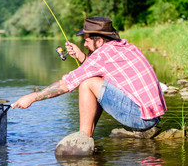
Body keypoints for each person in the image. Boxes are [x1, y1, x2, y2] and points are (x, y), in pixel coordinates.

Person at [12, 16, 167, 138]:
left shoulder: (102, 55)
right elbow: (103, 71)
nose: (85, 44)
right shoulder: (124, 46)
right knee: (94, 80)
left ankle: (84, 137)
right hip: (152, 116)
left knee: (87, 83)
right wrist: (80, 56)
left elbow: (67, 83)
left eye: (86, 40)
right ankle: (87, 137)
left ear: (99, 41)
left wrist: (32, 97)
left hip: (142, 119)